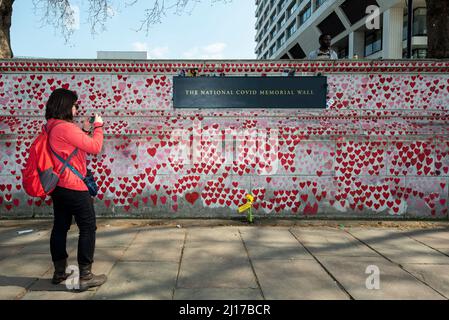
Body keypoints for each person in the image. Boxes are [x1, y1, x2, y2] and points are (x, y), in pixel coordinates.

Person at [45, 88, 107, 292]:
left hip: (59, 186)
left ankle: (59, 271)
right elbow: (95, 147)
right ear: (65, 106)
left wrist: (85, 130)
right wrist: (98, 127)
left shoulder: (52, 126)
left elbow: (75, 147)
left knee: (60, 226)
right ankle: (86, 276)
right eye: (74, 105)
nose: (76, 108)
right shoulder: (65, 127)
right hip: (73, 186)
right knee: (88, 227)